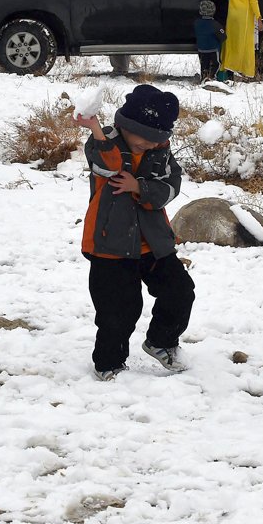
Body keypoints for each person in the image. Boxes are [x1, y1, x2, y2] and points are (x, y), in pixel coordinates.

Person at [72, 84, 195, 381]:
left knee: (180, 292)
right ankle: (109, 363)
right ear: (126, 126)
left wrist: (140, 187)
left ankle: (161, 341)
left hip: (153, 242)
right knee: (119, 310)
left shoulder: (159, 151)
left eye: (158, 140)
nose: (151, 146)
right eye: (146, 140)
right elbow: (108, 164)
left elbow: (171, 186)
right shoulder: (107, 141)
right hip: (110, 245)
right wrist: (95, 127)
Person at [211, 0, 262, 82]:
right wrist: (259, 18)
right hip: (244, 16)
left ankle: (228, 66)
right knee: (244, 43)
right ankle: (242, 70)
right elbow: (253, 0)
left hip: (232, 15)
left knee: (231, 42)